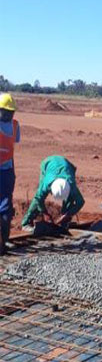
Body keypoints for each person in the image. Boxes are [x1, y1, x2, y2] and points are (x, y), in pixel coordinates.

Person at [22, 155, 85, 230]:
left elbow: (80, 202)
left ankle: (64, 221)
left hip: (66, 166)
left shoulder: (70, 184)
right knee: (38, 198)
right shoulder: (46, 184)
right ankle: (26, 222)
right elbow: (38, 199)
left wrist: (68, 215)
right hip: (48, 163)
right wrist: (45, 213)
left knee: (70, 197)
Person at [0, 93, 20, 255]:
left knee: (5, 207)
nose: (9, 115)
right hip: (6, 171)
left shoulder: (14, 125)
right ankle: (4, 241)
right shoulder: (13, 125)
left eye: (10, 112)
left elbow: (11, 149)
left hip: (6, 172)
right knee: (4, 206)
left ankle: (4, 241)